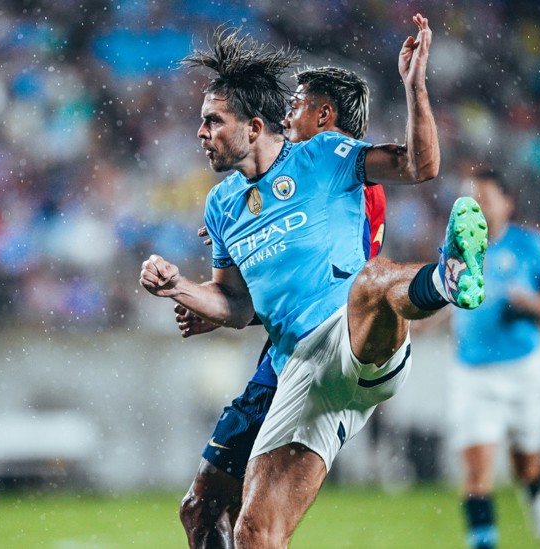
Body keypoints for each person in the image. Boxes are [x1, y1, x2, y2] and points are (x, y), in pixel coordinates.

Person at [140, 15, 490, 547]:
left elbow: (421, 165)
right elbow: (236, 302)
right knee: (244, 529)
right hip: (295, 367)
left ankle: (448, 276)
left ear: (253, 127)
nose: (200, 133)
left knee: (371, 280)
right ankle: (439, 278)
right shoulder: (221, 206)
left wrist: (415, 85)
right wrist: (177, 286)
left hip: (350, 338)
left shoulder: (327, 157)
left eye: (213, 121)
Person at [175, 64, 388, 548]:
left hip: (320, 353)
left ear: (326, 120)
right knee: (204, 509)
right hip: (281, 353)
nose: (286, 116)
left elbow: (321, 292)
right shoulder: (256, 192)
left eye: (298, 106)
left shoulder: (350, 183)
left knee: (256, 523)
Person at [448, 169, 540, 549]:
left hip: (523, 369)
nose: (478, 206)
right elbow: (444, 296)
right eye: (472, 199)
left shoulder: (531, 245)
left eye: (485, 197)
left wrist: (533, 304)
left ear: (508, 202)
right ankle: (483, 541)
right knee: (476, 470)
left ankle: (535, 491)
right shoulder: (456, 248)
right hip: (472, 371)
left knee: (526, 462)